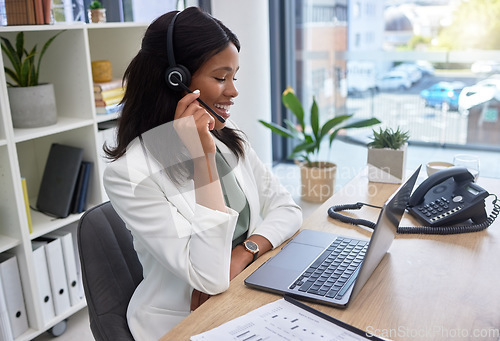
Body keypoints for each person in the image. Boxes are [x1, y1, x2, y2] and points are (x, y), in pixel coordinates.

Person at [103, 6, 302, 340]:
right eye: (221, 77)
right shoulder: (129, 174)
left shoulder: (227, 134)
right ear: (176, 80)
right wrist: (202, 160)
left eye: (234, 77)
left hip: (245, 291)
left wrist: (245, 253)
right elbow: (208, 277)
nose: (234, 91)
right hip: (184, 321)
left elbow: (288, 209)